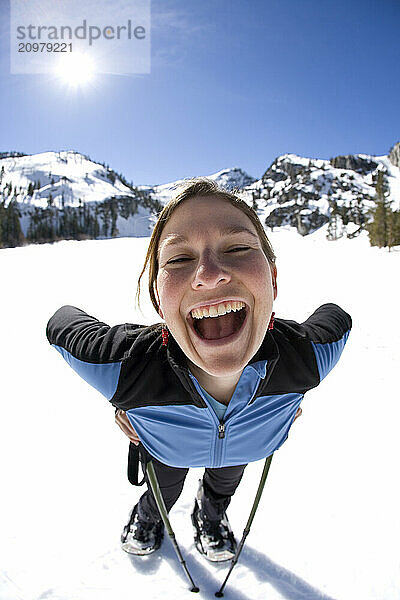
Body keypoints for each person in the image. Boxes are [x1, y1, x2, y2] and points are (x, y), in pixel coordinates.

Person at [46, 178, 351, 562]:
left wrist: (278, 349)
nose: (209, 274)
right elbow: (63, 322)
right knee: (163, 489)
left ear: (272, 280)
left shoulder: (304, 358)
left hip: (244, 449)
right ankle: (149, 517)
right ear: (159, 298)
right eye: (179, 259)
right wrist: (132, 364)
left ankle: (210, 515)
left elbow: (337, 317)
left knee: (223, 486)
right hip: (166, 453)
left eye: (238, 248)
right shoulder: (126, 368)